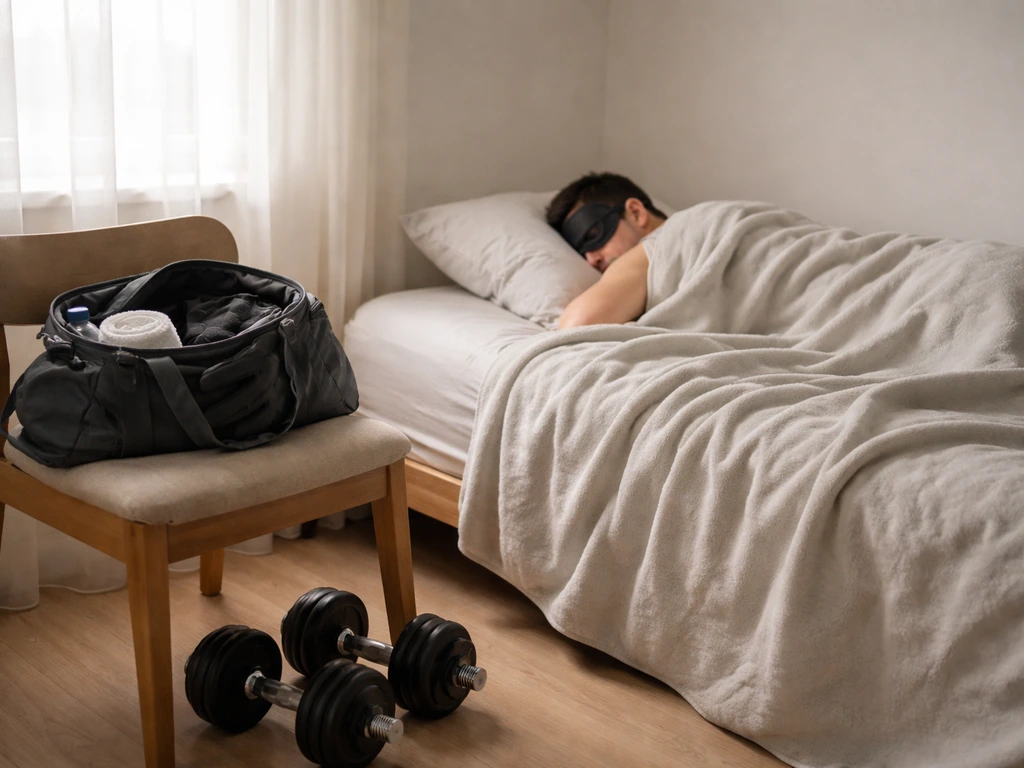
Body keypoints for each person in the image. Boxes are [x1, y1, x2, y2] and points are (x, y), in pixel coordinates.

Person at [546, 172, 668, 329]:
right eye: (581, 254)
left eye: (593, 235)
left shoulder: (657, 244)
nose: (591, 259)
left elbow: (576, 325)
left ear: (636, 212)